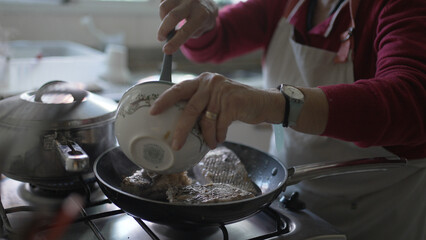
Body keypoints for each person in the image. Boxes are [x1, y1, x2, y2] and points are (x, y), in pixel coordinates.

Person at [150, 0, 426, 239]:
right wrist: (204, 19)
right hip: (285, 201)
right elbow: (217, 40)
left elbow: (412, 103)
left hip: (374, 216)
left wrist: (268, 103)